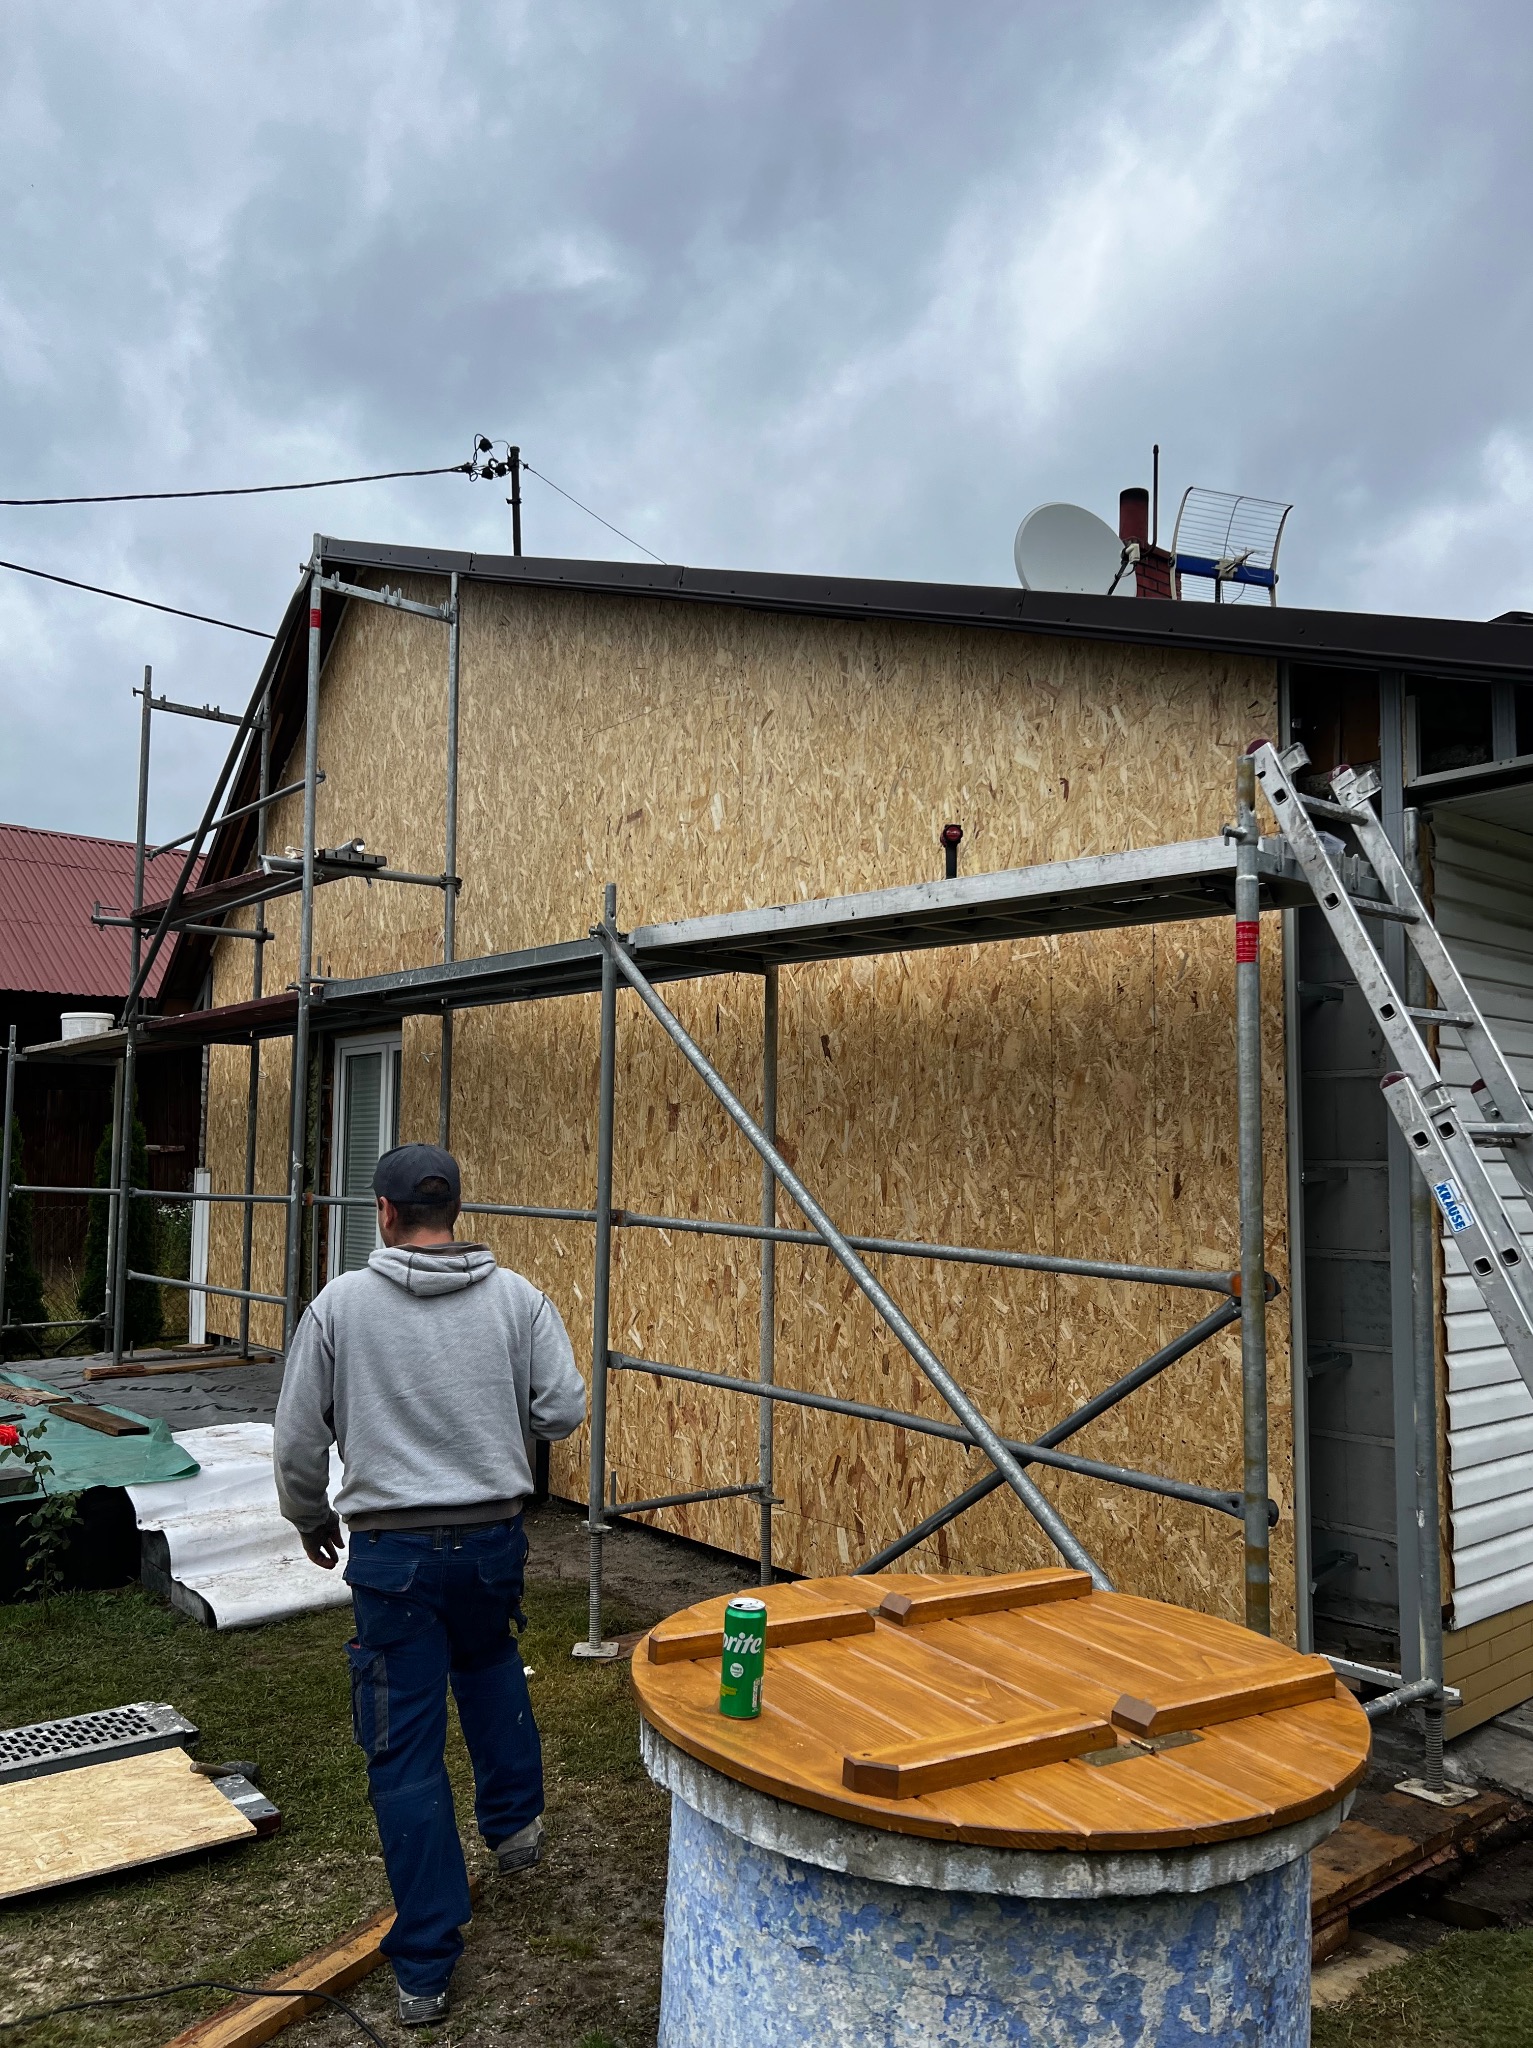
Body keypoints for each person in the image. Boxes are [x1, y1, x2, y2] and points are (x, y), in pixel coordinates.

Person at [274, 1142, 586, 2028]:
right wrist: (494, 1407)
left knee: (403, 1750)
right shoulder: (518, 1297)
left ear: (383, 1212)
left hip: (391, 1557)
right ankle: (516, 1829)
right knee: (488, 1664)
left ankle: (424, 1968)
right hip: (491, 1541)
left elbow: (299, 1437)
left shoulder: (340, 1305)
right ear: (454, 1210)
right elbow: (562, 1408)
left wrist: (308, 1515)